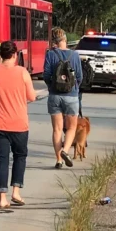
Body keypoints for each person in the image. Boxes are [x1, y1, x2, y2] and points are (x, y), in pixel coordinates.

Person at [0, 40, 38, 210]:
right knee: (20, 156)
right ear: (14, 55)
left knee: (1, 159)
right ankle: (16, 192)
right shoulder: (22, 72)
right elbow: (32, 97)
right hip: (19, 122)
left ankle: (2, 198)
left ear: (1, 54)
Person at [42, 27, 84, 169]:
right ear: (65, 39)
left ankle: (59, 159)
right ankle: (65, 151)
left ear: (54, 40)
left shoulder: (50, 55)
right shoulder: (75, 55)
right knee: (71, 128)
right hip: (71, 96)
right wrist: (74, 88)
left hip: (54, 96)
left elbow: (46, 75)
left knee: (57, 129)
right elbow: (79, 77)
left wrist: (51, 87)